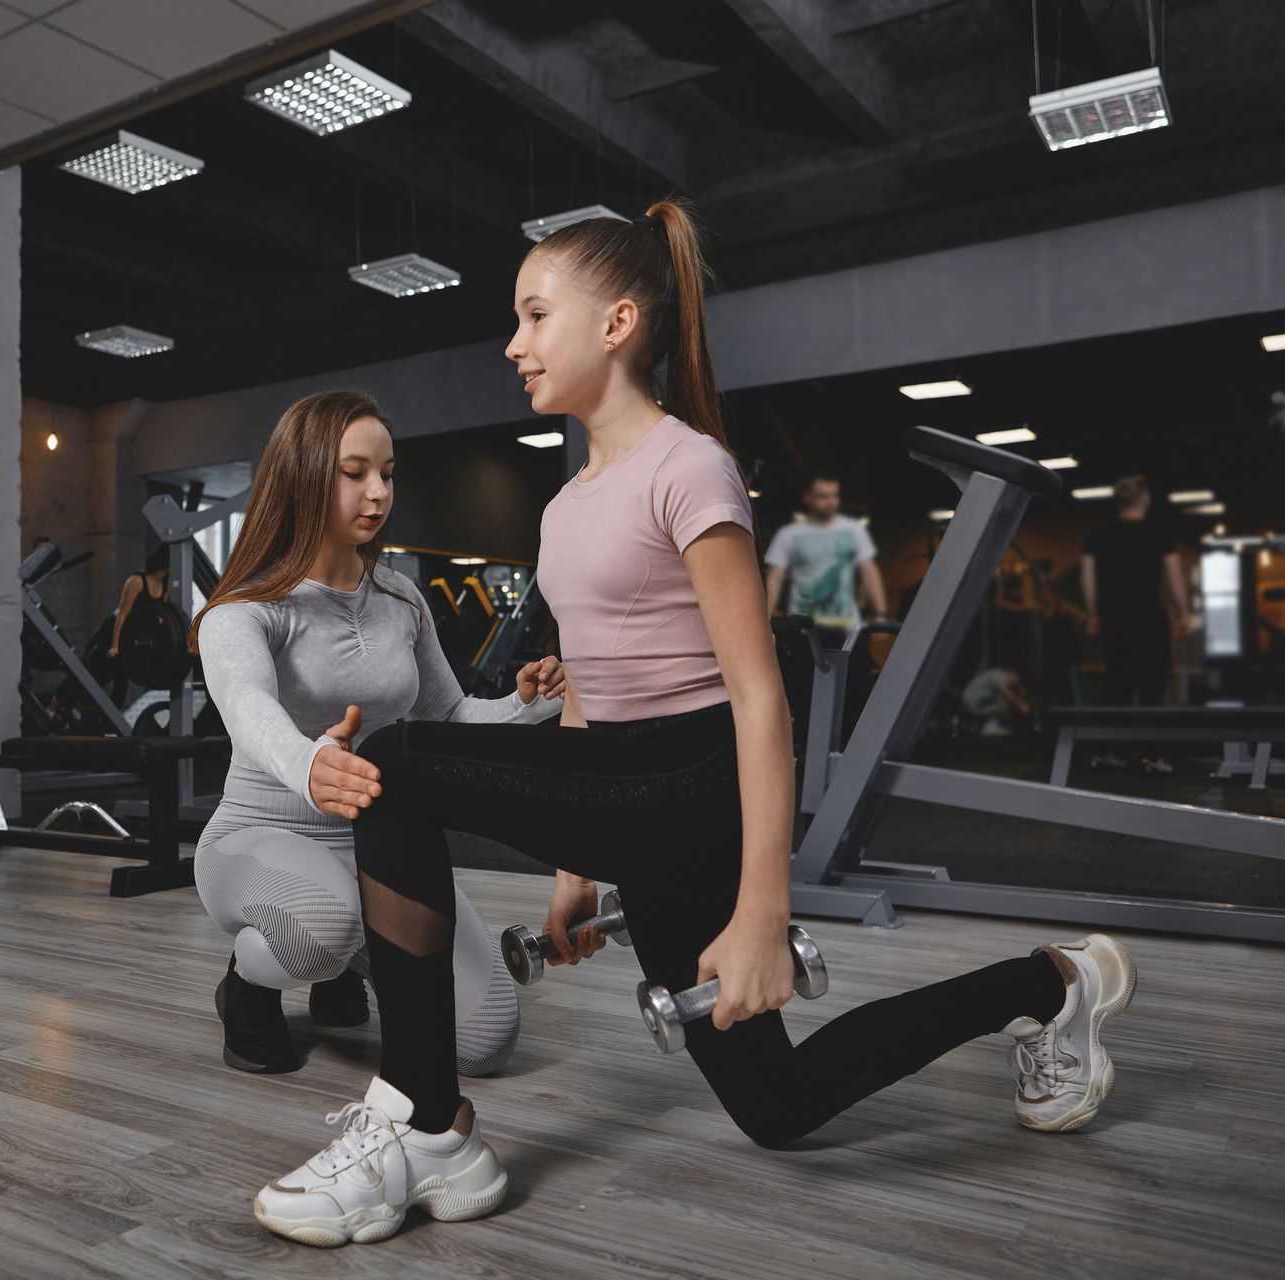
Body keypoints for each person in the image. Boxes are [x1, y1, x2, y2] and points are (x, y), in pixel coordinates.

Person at [247, 199, 1139, 1247]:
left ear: (617, 323)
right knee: (781, 1103)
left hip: (688, 782)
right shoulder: (566, 502)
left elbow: (760, 695)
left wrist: (765, 908)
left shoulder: (691, 468)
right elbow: (586, 675)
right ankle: (1054, 982)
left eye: (536, 316)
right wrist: (574, 867)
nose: (513, 342)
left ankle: (427, 1121)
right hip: (624, 787)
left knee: (393, 761)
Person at [191, 390, 565, 1077]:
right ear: (303, 476)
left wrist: (525, 704)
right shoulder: (245, 609)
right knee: (321, 925)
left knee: (486, 1039)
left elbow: (448, 716)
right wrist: (311, 766)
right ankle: (247, 986)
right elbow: (248, 710)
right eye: (354, 472)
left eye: (387, 473)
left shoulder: (400, 599)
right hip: (258, 837)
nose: (378, 492)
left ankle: (345, 962)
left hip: (382, 848)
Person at [1081, 476, 1193, 708]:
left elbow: (1088, 580)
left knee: (1119, 680)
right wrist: (1184, 613)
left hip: (1115, 619)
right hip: (1150, 616)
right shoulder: (1160, 533)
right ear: (1145, 499)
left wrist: (1093, 615)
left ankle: (1117, 741)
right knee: (1154, 683)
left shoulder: (1098, 536)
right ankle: (1147, 740)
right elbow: (1175, 578)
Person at [763, 470, 888, 633]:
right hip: (804, 628)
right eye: (823, 496)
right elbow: (775, 578)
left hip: (847, 626)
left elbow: (869, 570)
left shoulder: (853, 530)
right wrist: (765, 621)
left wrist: (881, 614)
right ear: (808, 498)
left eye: (834, 496)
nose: (831, 502)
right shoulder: (788, 534)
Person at [108, 544, 173, 662]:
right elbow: (122, 614)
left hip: (140, 633)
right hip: (120, 632)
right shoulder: (136, 581)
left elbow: (160, 613)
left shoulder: (165, 582)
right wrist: (114, 646)